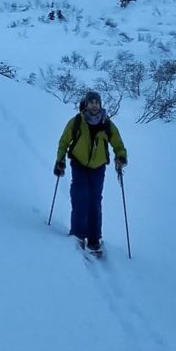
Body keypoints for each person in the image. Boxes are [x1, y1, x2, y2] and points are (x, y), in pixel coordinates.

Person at [53, 91, 127, 255]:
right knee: (80, 197)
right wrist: (60, 160)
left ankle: (94, 239)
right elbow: (64, 141)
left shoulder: (107, 123)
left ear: (100, 105)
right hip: (79, 165)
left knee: (94, 201)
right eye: (91, 102)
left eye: (97, 102)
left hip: (98, 167)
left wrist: (120, 157)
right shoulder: (77, 121)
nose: (94, 105)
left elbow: (118, 143)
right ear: (86, 105)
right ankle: (78, 234)